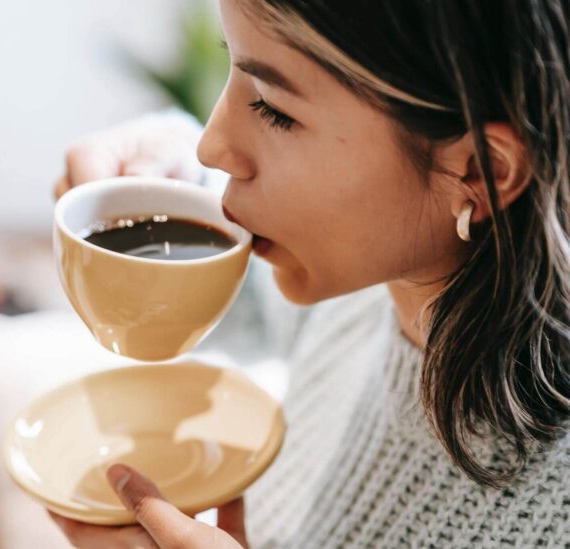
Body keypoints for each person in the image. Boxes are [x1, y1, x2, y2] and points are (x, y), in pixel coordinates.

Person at [49, 0, 570, 546]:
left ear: (479, 172)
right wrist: (157, 159)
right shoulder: (361, 292)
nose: (210, 145)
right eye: (234, 62)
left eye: (274, 109)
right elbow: (232, 285)